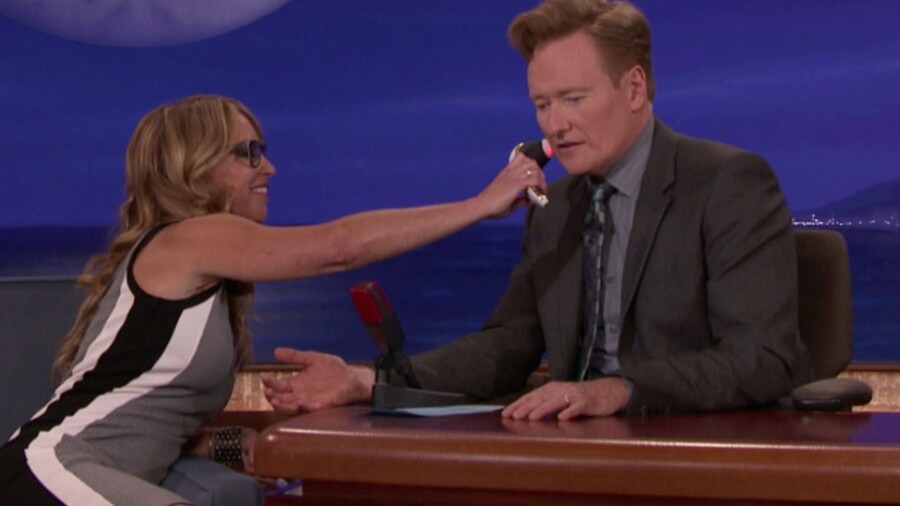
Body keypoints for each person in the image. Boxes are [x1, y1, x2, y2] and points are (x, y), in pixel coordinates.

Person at [262, 0, 814, 421]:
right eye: (542, 104)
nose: (555, 125)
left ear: (634, 88)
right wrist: (368, 380)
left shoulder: (727, 183)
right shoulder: (555, 207)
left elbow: (765, 358)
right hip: (577, 447)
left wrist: (619, 390)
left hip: (691, 441)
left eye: (573, 99)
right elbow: (509, 345)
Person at [0, 94, 545, 505]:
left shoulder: (206, 274)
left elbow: (157, 433)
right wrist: (480, 204)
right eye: (250, 153)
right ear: (197, 164)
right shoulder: (187, 239)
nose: (269, 168)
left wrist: (238, 446)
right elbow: (340, 247)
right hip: (52, 470)